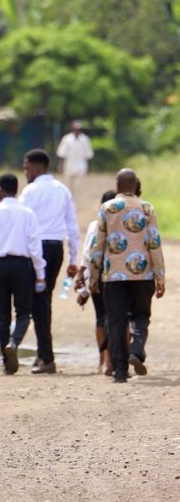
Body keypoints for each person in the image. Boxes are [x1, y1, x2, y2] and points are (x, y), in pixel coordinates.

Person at [88, 168, 165, 384]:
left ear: (118, 185)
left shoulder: (107, 207)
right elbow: (155, 244)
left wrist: (93, 277)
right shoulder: (147, 208)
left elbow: (98, 245)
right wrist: (160, 276)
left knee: (116, 320)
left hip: (114, 275)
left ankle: (120, 372)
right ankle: (136, 350)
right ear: (134, 185)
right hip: (143, 275)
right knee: (140, 315)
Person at [0, 173, 46, 375]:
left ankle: (7, 363)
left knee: (2, 314)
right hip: (22, 266)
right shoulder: (27, 213)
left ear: (0, 190)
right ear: (16, 189)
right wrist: (40, 273)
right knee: (24, 311)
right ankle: (14, 342)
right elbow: (34, 246)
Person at [20, 149, 80, 375]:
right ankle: (41, 353)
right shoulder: (62, 190)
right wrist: (73, 259)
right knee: (42, 300)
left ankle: (47, 357)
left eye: (26, 168)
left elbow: (21, 222)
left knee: (40, 302)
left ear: (36, 167)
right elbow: (72, 227)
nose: (25, 173)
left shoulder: (30, 191)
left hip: (37, 249)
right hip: (56, 248)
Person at [74, 189, 116, 375]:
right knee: (118, 317)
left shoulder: (94, 225)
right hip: (117, 276)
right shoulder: (124, 224)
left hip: (97, 276)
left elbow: (88, 253)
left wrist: (82, 277)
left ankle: (103, 360)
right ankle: (112, 359)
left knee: (101, 316)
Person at [57, 120, 94, 196]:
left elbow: (88, 155)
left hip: (80, 166)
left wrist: (88, 167)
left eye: (79, 129)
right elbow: (62, 153)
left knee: (77, 188)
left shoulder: (85, 139)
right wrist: (60, 165)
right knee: (67, 188)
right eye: (75, 129)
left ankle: (76, 205)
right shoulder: (67, 139)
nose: (77, 131)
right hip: (68, 166)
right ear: (73, 129)